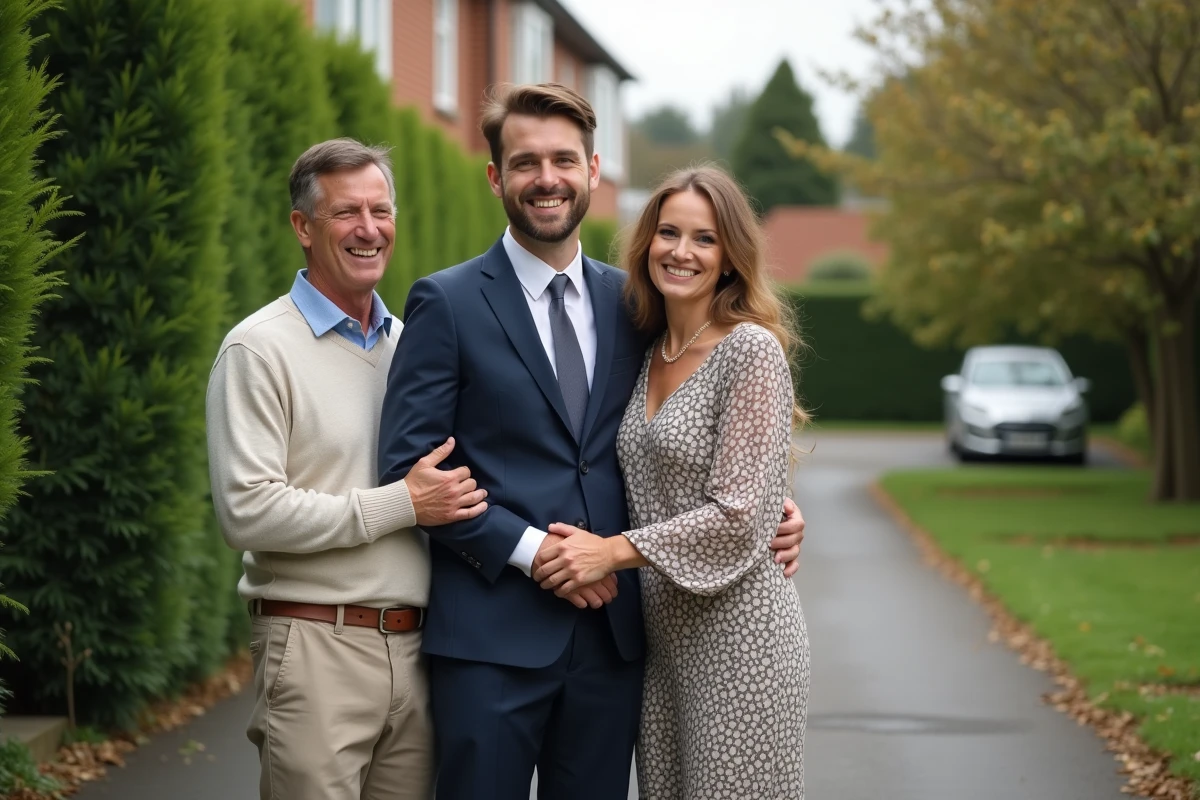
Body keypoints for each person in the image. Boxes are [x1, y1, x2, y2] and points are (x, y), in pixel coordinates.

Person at [376, 84, 805, 800]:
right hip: (492, 644)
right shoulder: (445, 303)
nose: (547, 178)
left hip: (616, 645)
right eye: (526, 162)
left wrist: (776, 509)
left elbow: (695, 434)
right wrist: (531, 547)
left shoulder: (636, 304)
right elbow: (410, 469)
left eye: (563, 160)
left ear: (593, 169)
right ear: (496, 177)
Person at [205, 139, 488, 800]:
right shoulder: (258, 348)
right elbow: (246, 510)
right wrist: (401, 504)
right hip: (313, 646)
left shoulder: (413, 347)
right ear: (303, 227)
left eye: (381, 210)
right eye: (346, 213)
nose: (369, 229)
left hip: (419, 652)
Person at [534, 165, 811, 799]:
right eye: (668, 232)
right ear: (647, 242)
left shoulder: (749, 351)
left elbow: (739, 513)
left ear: (732, 257)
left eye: (704, 238)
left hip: (741, 639)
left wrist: (608, 552)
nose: (681, 252)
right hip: (660, 643)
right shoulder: (642, 346)